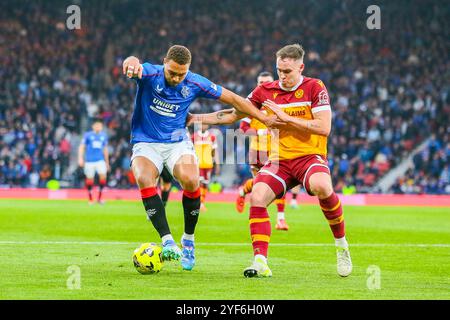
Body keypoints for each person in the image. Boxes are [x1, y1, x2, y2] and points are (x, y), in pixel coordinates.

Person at [188, 44, 352, 278]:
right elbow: (233, 115)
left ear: (301, 67)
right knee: (258, 195)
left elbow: (324, 127)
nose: (283, 76)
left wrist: (285, 119)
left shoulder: (314, 87)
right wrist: (196, 118)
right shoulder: (264, 91)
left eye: (288, 71)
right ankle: (260, 261)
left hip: (309, 156)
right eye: (279, 71)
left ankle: (341, 246)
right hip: (279, 161)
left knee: (322, 187)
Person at [123, 45, 276, 271]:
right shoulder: (151, 73)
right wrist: (131, 61)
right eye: (171, 72)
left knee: (192, 181)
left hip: (176, 141)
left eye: (181, 74)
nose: (175, 78)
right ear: (164, 62)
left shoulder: (195, 82)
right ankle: (167, 241)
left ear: (189, 70)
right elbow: (133, 62)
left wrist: (263, 117)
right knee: (144, 178)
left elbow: (234, 99)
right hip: (146, 142)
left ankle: (188, 239)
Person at [236, 71, 289, 231]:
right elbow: (243, 129)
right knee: (259, 186)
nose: (264, 85)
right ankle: (245, 190)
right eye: (261, 82)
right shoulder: (251, 105)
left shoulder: (280, 103)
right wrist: (261, 132)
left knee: (282, 184)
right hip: (257, 152)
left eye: (267, 82)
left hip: (276, 151)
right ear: (257, 84)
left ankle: (281, 219)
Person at [78, 119, 110, 205]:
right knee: (89, 179)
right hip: (89, 161)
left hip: (100, 160)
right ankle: (90, 199)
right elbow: (82, 146)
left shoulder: (104, 136)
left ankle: (99, 198)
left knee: (103, 177)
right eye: (96, 125)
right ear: (93, 126)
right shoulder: (88, 135)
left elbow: (105, 149)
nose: (98, 127)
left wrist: (107, 162)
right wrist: (80, 158)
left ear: (102, 127)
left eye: (100, 125)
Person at [192, 124, 220, 212]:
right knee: (199, 183)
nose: (203, 126)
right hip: (198, 164)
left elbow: (214, 151)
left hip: (208, 164)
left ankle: (202, 203)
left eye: (205, 124)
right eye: (202, 124)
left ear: (208, 126)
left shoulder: (212, 137)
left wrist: (217, 164)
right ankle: (198, 203)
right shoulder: (194, 137)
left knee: (204, 184)